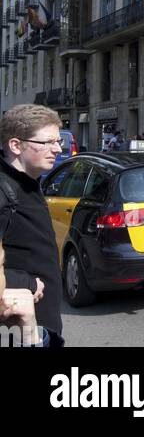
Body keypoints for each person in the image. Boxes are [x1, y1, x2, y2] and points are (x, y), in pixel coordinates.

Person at [0, 104, 65, 347]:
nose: (57, 149)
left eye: (58, 141)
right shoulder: (4, 190)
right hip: (17, 331)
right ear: (16, 145)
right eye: (47, 142)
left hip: (41, 326)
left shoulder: (29, 181)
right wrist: (23, 282)